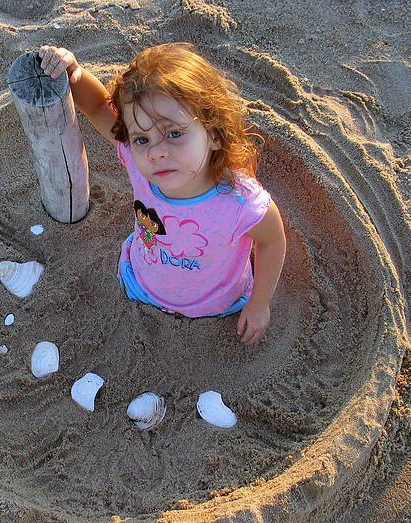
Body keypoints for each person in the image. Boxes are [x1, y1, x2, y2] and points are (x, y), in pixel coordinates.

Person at [38, 43, 286, 345]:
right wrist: (74, 72)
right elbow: (98, 107)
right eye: (142, 138)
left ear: (215, 134)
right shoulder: (137, 158)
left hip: (218, 304)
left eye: (174, 133)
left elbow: (272, 240)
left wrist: (260, 303)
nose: (156, 152)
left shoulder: (239, 201)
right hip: (141, 284)